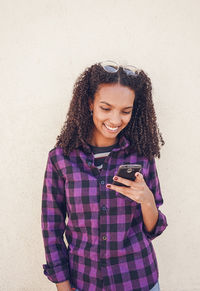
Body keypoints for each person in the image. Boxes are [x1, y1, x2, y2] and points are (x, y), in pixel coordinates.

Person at [41, 60, 168, 291]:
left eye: (125, 111)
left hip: (138, 280)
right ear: (90, 103)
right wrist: (62, 285)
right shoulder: (61, 159)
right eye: (106, 108)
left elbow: (154, 229)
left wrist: (147, 200)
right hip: (84, 282)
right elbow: (51, 230)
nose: (115, 120)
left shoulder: (142, 156)